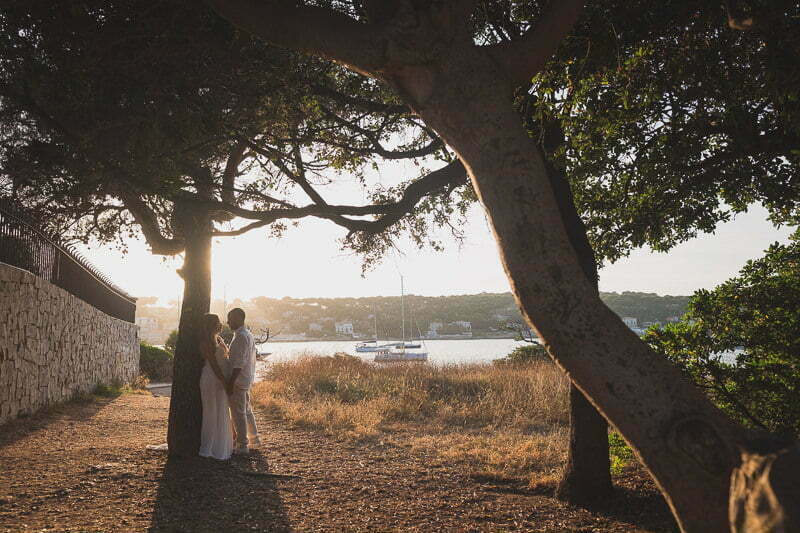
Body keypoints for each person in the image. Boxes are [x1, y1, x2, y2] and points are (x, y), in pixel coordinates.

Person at [198, 313, 234, 460]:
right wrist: (224, 381)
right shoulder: (205, 342)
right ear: (211, 325)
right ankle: (209, 447)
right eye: (217, 322)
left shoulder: (219, 339)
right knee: (211, 412)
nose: (221, 324)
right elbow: (213, 364)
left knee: (222, 411)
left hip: (220, 378)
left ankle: (221, 444)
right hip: (211, 378)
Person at [226, 307, 261, 454]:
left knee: (238, 413)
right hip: (246, 379)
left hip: (239, 380)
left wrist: (230, 382)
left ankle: (242, 444)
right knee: (246, 410)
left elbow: (238, 363)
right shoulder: (246, 334)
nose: (228, 322)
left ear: (239, 318)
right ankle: (254, 439)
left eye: (230, 318)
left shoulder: (241, 336)